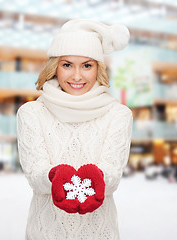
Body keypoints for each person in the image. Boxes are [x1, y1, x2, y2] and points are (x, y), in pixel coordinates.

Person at [17, 19, 132, 240]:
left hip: (100, 233)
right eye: (67, 64)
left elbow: (112, 176)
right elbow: (34, 173)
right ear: (55, 67)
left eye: (87, 65)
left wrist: (96, 178)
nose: (77, 76)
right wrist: (53, 176)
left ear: (98, 68)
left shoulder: (118, 115)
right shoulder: (31, 113)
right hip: (45, 233)